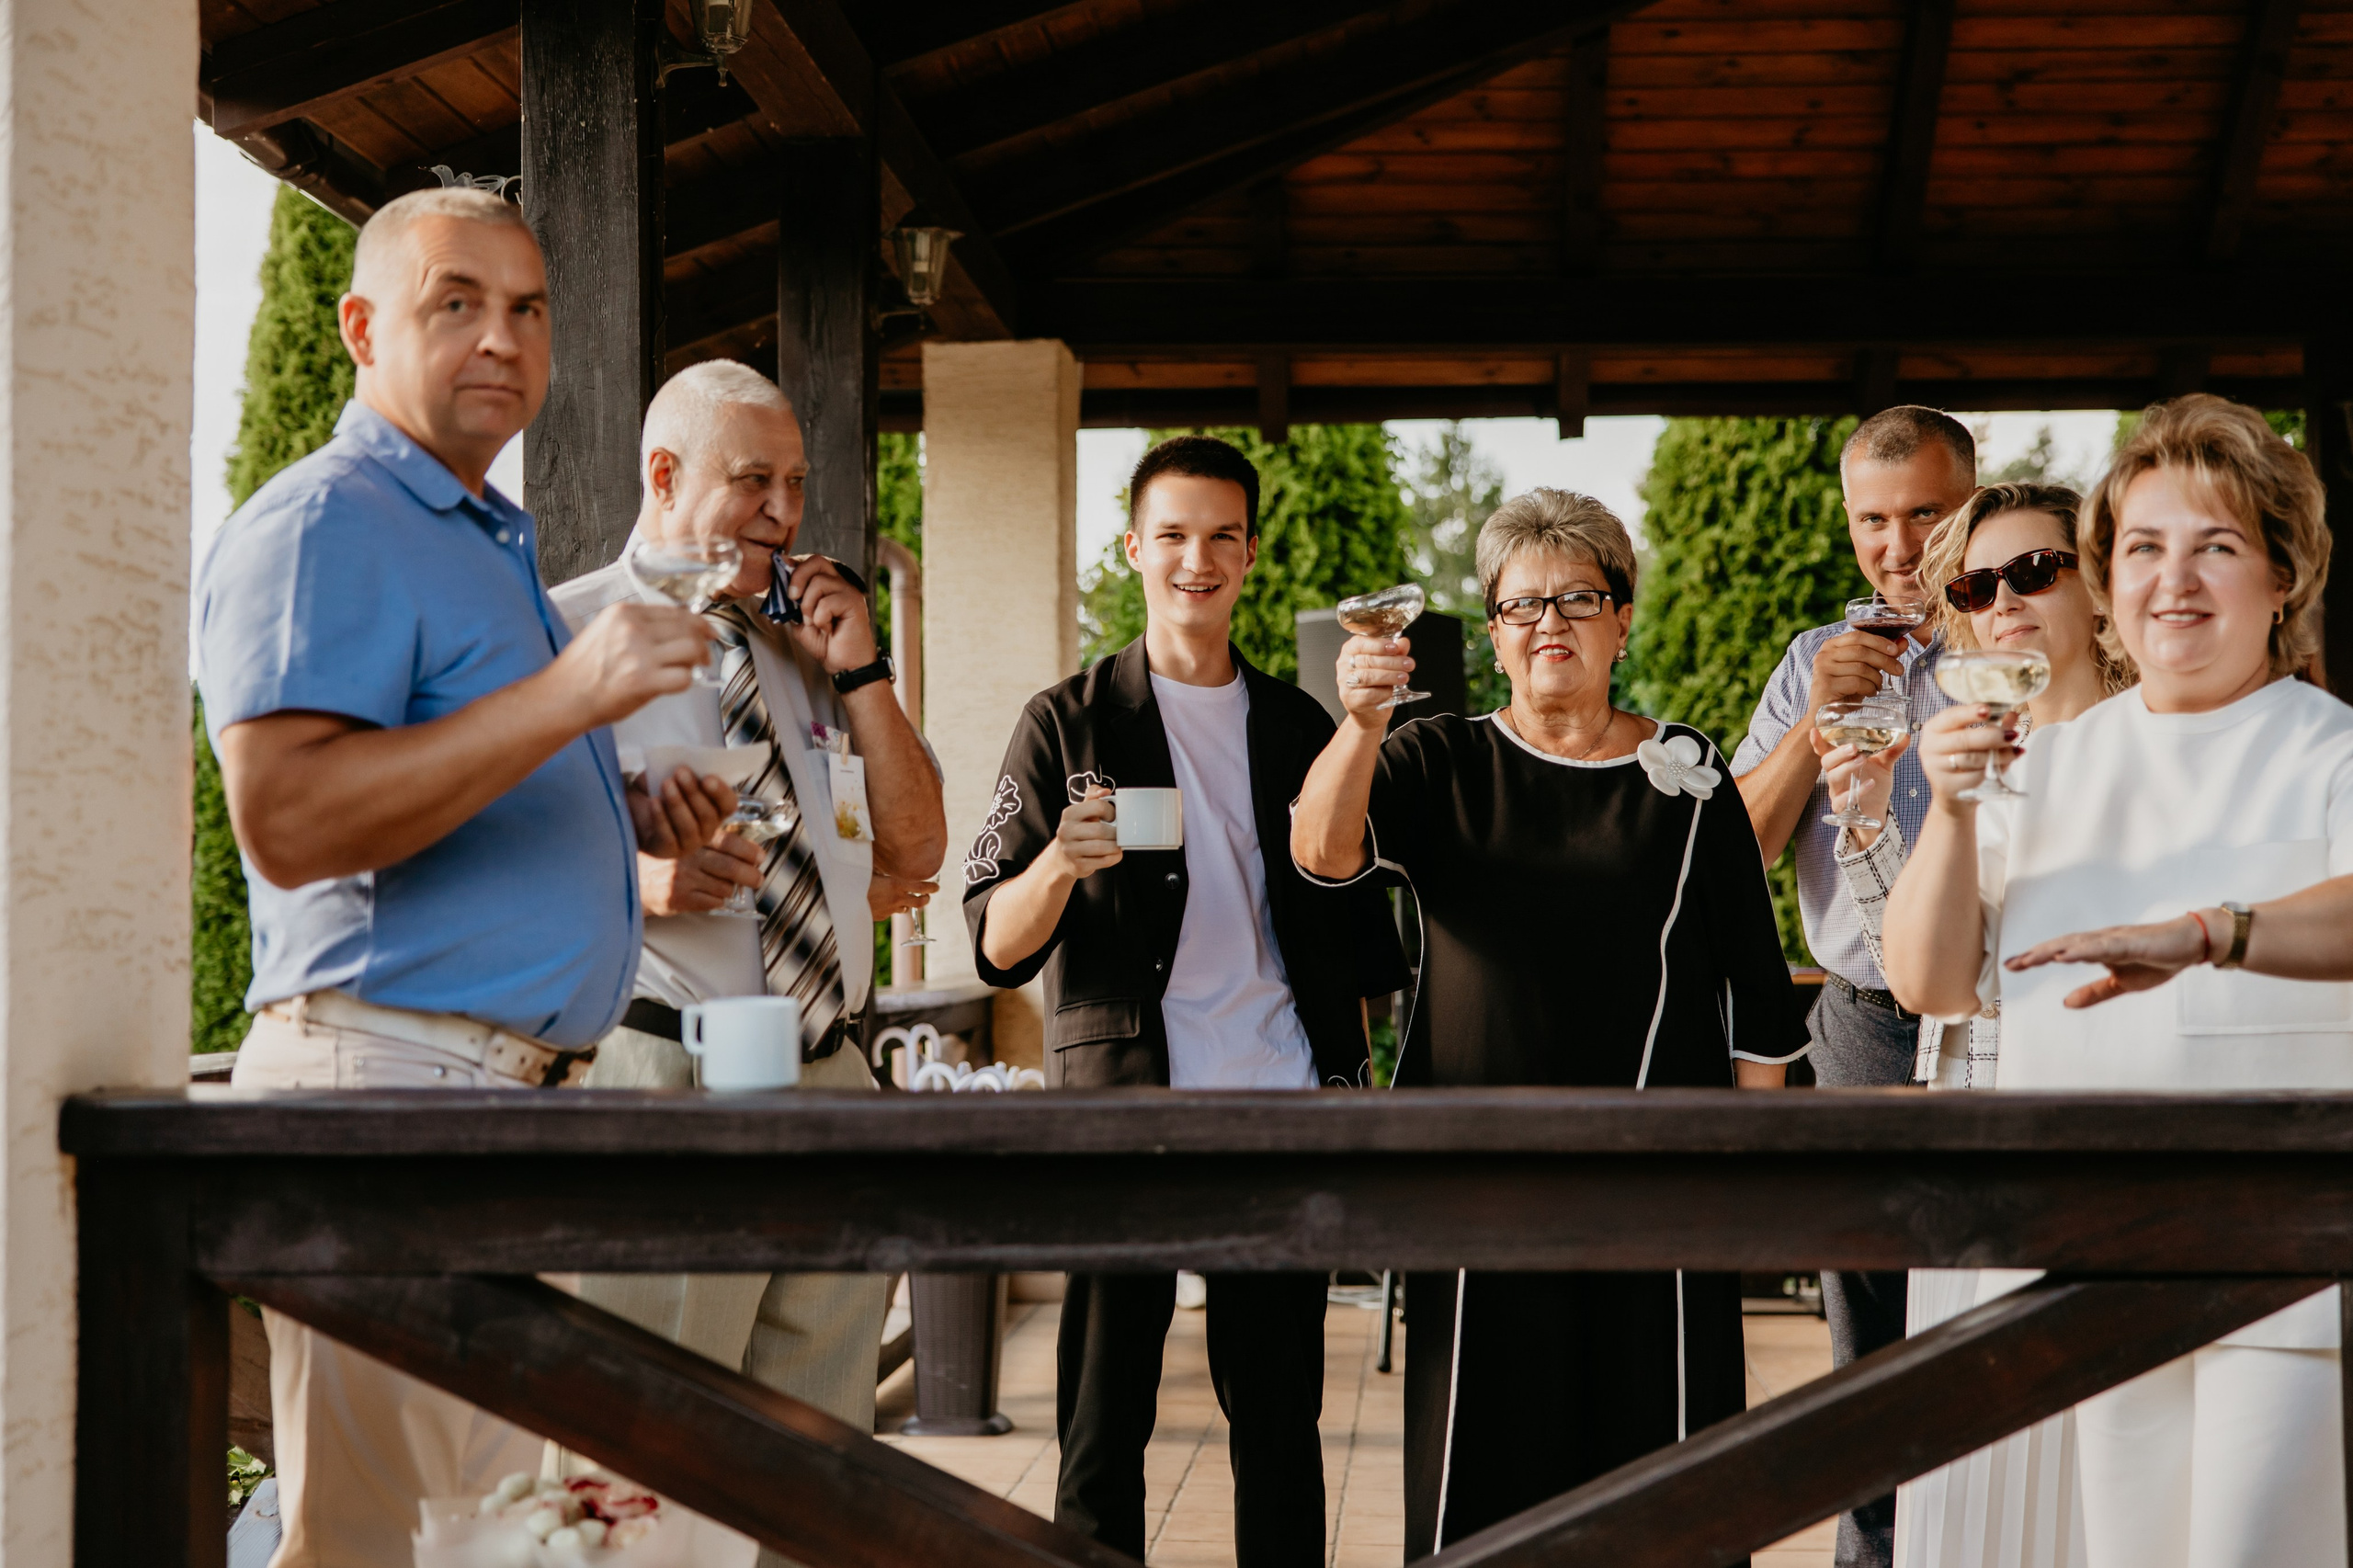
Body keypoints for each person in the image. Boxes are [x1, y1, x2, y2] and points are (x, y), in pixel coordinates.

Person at [195, 187, 713, 1567]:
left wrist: (631, 808)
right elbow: (291, 819)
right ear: (362, 327)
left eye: (529, 307)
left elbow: (456, 762)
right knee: (377, 1550)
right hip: (385, 1098)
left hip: (490, 1108)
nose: (503, 336)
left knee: (483, 1544)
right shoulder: (327, 522)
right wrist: (573, 700)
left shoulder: (483, 534)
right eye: (457, 302)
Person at [1290, 488, 1808, 1561]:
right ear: (1491, 633)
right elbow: (1320, 853)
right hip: (1476, 1181)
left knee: (1667, 1475)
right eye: (1521, 605)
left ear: (1622, 619)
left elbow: (1759, 1003)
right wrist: (1358, 722)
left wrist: (1742, 1192)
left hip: (1659, 1187)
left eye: (1579, 597)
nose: (1550, 624)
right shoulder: (1434, 760)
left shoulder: (1691, 775)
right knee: (1484, 1469)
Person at [1881, 394, 2350, 1568]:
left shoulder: (2332, 747)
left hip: (2285, 1263)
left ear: (2282, 578)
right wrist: (1946, 809)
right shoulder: (2046, 760)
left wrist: (2209, 934)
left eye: (2218, 546)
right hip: (2085, 1245)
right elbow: (1930, 983)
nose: (2172, 580)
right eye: (2142, 547)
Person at [962, 436, 1407, 1568]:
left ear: (1250, 554)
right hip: (1127, 1114)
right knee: (1102, 1424)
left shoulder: (1304, 727)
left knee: (1279, 1423)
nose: (1194, 559)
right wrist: (1060, 861)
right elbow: (992, 946)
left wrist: (1352, 1095)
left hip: (1279, 1104)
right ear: (1133, 548)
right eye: (1171, 535)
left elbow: (1363, 943)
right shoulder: (1064, 720)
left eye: (1219, 536)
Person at [549, 359, 946, 1523]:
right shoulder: (565, 631)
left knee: (816, 1473)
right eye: (753, 480)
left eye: (796, 481)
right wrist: (638, 880)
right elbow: (478, 860)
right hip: (664, 1085)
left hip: (833, 1081)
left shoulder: (804, 653)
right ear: (663, 475)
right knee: (647, 1466)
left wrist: (864, 669)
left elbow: (914, 856)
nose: (785, 509)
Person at [1822, 483, 2129, 1568]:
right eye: (1975, 584)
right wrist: (1924, 810)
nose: (2004, 599)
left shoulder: (2163, 749)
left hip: (2127, 1180)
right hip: (1986, 1176)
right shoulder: (1972, 765)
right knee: (1982, 1506)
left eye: (2035, 570)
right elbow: (1928, 985)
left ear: (2098, 583)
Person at [1731, 404, 1977, 1568]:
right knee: (1868, 1337)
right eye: (1871, 519)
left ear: (1968, 503)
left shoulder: (2024, 630)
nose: (1895, 545)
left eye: (1923, 512)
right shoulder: (1808, 658)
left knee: (2008, 1311)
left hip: (2007, 1024)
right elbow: (1732, 852)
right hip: (1867, 1023)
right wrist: (1813, 718)